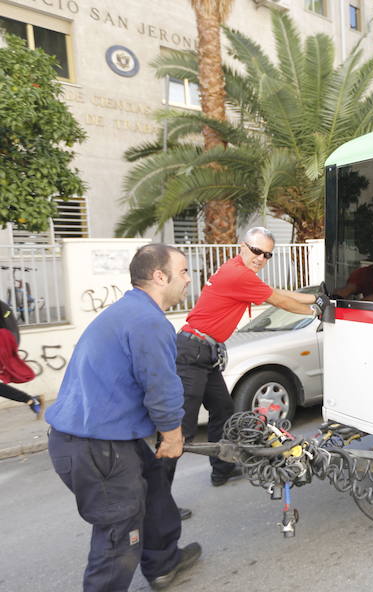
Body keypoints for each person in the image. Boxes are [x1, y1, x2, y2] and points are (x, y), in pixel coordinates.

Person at [45, 244, 200, 591]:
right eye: (185, 271)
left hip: (106, 439)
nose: (189, 279)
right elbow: (161, 387)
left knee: (156, 487)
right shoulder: (148, 322)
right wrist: (173, 436)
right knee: (119, 534)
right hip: (97, 448)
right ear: (160, 276)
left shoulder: (128, 311)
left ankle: (163, 562)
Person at [168, 226, 321, 495]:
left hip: (206, 353)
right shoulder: (237, 274)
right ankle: (156, 505)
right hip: (191, 354)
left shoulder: (238, 270)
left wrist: (318, 297)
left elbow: (277, 292)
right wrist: (317, 312)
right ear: (242, 246)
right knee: (180, 432)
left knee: (224, 412)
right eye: (256, 251)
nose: (261, 258)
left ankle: (221, 470)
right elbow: (281, 302)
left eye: (267, 255)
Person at [0, 299, 44, 418]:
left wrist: (10, 347)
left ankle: (30, 400)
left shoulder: (2, 307)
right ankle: (30, 400)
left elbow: (11, 328)